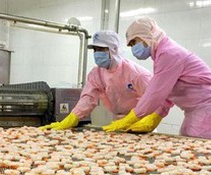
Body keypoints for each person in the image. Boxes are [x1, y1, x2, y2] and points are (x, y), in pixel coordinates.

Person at [103, 17, 211, 140]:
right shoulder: (161, 55)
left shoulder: (169, 53)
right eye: (130, 45)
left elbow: (155, 93)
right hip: (198, 113)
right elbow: (166, 92)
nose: (133, 48)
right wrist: (156, 115)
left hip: (208, 112)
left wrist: (132, 117)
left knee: (202, 154)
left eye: (134, 42)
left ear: (146, 36)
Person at [40, 30, 171, 131]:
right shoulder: (96, 74)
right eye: (95, 50)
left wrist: (151, 119)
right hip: (117, 123)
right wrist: (72, 118)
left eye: (101, 49)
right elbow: (87, 98)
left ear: (113, 49)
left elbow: (157, 99)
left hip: (141, 123)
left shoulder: (136, 74)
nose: (97, 54)